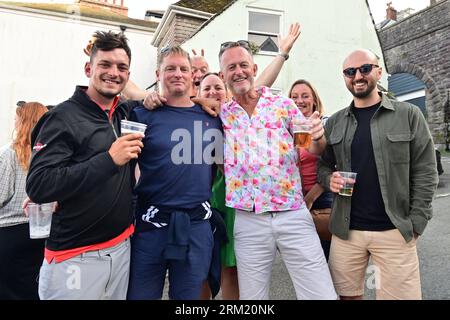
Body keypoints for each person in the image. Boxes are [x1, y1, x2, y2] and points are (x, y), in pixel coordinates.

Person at [25, 31, 145, 300]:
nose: (113, 73)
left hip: (121, 247)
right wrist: (108, 160)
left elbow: (162, 97)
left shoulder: (123, 113)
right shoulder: (62, 117)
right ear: (88, 68)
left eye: (121, 67)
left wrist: (204, 100)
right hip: (75, 257)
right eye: (105, 65)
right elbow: (39, 184)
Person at [218, 41, 337, 300]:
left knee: (321, 294)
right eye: (231, 67)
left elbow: (311, 147)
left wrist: (317, 137)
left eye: (243, 65)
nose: (238, 71)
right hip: (248, 220)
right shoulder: (220, 113)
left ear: (254, 68)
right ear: (222, 75)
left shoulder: (282, 104)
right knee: (252, 298)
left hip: (292, 214)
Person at [317, 49, 439, 300]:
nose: (358, 76)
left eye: (364, 69)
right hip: (346, 231)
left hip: (394, 229)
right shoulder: (336, 121)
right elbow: (324, 166)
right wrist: (329, 180)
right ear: (345, 77)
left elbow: (426, 171)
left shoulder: (408, 114)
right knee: (346, 296)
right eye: (350, 72)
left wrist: (417, 221)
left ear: (378, 71)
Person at [126, 46, 223, 300]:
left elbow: (251, 95)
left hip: (196, 227)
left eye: (183, 69)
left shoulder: (213, 116)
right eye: (170, 68)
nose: (177, 74)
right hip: (151, 225)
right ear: (159, 73)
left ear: (193, 75)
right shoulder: (140, 114)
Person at [0, 102, 48, 300]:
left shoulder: (9, 154)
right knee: (32, 290)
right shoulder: (50, 156)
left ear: (23, 122)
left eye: (17, 120)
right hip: (41, 232)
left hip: (9, 235)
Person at [288, 79, 334, 260]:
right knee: (306, 259)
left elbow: (332, 165)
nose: (299, 101)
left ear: (314, 100)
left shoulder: (325, 124)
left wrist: (310, 198)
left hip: (322, 197)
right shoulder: (287, 127)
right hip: (297, 199)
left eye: (305, 96)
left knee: (327, 255)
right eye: (294, 97)